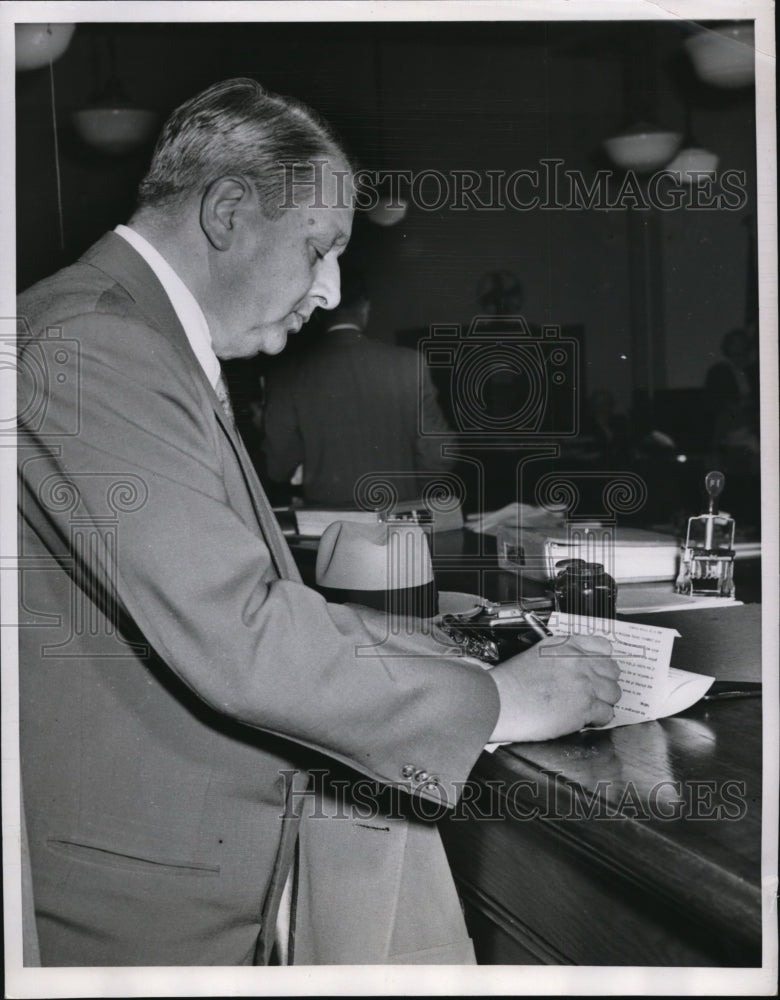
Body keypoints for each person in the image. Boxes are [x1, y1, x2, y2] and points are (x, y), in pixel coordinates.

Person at [16, 77, 620, 967]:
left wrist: (422, 648)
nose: (332, 290)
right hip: (137, 907)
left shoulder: (123, 334)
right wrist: (501, 700)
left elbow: (233, 593)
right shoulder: (96, 343)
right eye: (320, 248)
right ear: (227, 212)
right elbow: (238, 635)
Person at [262, 267, 456, 505]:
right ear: (365, 308)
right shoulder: (409, 364)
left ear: (318, 311)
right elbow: (438, 452)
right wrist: (414, 494)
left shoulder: (286, 373)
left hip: (326, 527)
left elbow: (277, 467)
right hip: (399, 518)